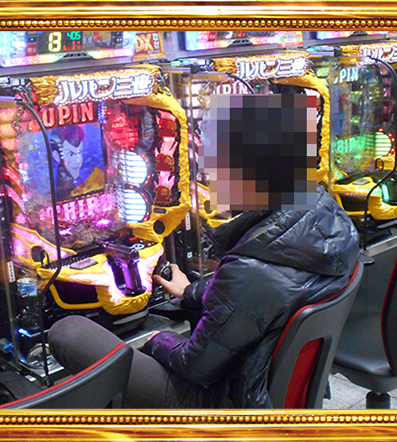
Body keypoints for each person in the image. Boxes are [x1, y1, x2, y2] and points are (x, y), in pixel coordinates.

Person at [48, 94, 361, 408]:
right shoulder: (332, 221)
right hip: (266, 384)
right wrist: (190, 292)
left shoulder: (252, 268)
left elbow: (194, 365)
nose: (211, 177)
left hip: (227, 400)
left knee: (68, 332)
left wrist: (156, 341)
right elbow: (260, 298)